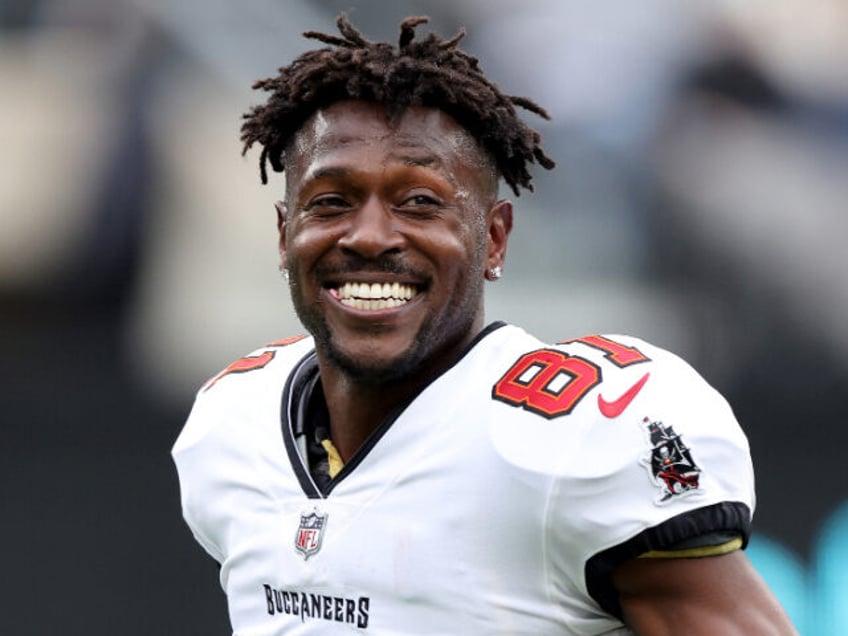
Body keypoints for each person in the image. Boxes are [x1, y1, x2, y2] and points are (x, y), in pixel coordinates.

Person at [173, 14, 796, 635]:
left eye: (419, 201)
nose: (368, 236)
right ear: (285, 234)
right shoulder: (231, 427)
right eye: (331, 201)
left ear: (493, 239)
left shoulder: (574, 438)